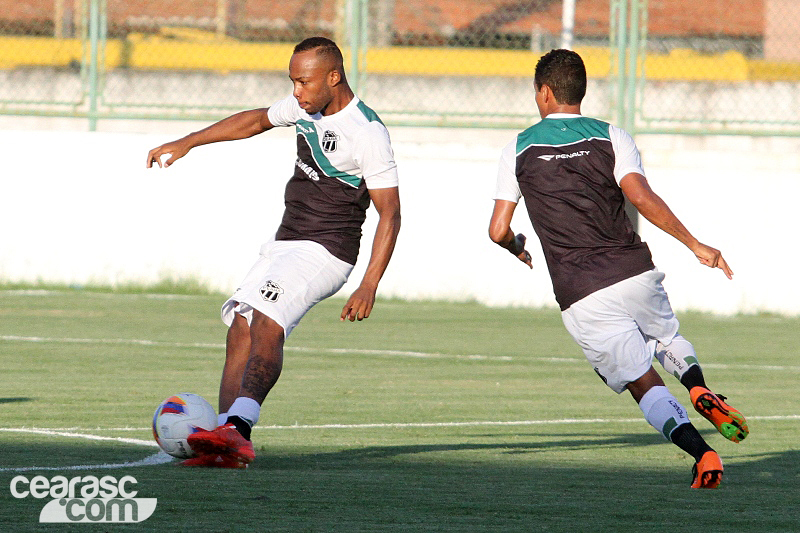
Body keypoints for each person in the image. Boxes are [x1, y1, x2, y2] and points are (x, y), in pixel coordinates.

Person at [488, 49, 747, 489]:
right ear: (580, 91)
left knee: (641, 382)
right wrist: (695, 244)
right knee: (666, 337)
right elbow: (642, 197)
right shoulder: (612, 136)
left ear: (544, 92)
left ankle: (703, 456)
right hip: (633, 271)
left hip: (581, 291)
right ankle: (699, 387)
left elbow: (497, 229)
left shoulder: (519, 148)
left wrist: (516, 247)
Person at [146, 37, 401, 468]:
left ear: (333, 77)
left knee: (267, 319)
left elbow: (390, 214)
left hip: (326, 249)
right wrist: (189, 141)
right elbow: (254, 121)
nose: (296, 91)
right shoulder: (306, 108)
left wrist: (369, 283)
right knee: (240, 326)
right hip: (285, 242)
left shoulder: (368, 132)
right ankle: (224, 436)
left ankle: (238, 431)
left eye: (303, 82)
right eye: (292, 82)